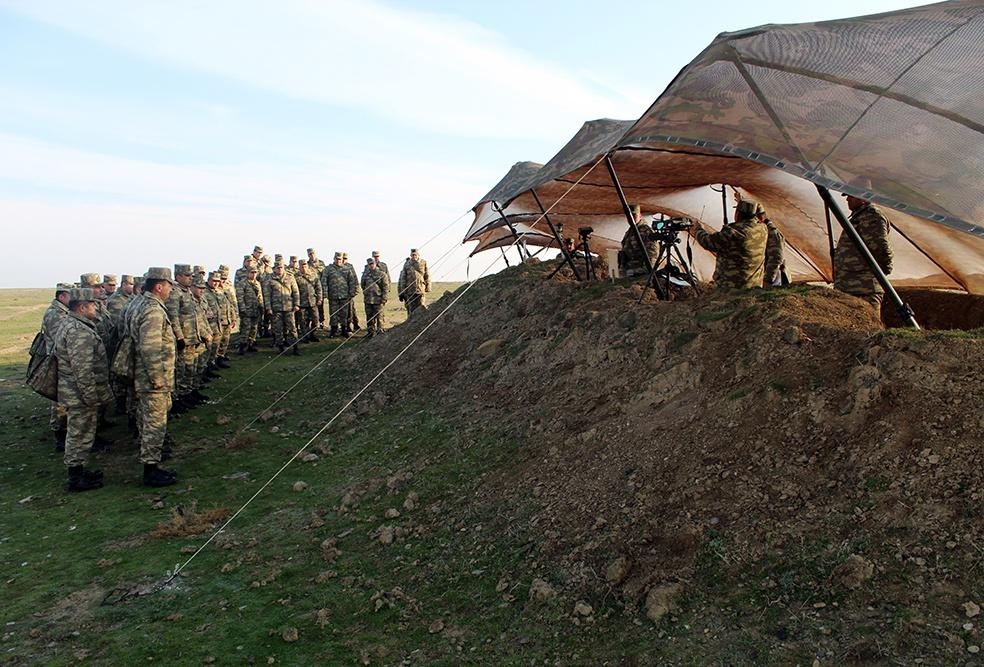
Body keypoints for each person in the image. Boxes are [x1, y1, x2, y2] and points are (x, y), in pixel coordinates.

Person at [55, 287, 113, 491]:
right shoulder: (78, 331)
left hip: (75, 391)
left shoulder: (72, 324)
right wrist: (91, 397)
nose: (96, 308)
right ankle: (75, 477)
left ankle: (78, 470)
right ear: (82, 307)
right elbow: (82, 370)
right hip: (79, 394)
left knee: (79, 432)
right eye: (92, 305)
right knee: (79, 433)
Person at [128, 267, 178, 487]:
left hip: (141, 375)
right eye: (168, 286)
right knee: (154, 423)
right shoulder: (153, 311)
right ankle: (151, 469)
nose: (170, 290)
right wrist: (158, 377)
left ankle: (149, 461)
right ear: (159, 286)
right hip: (152, 378)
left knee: (145, 419)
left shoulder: (137, 304)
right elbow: (150, 348)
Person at [834, 191, 894, 312]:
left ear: (862, 197)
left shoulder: (871, 216)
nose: (847, 200)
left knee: (868, 326)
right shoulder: (859, 216)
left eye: (850, 196)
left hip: (864, 289)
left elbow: (881, 248)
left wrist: (882, 272)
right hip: (850, 288)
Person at [693, 199, 768, 289]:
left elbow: (707, 242)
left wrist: (698, 229)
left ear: (738, 214)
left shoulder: (733, 232)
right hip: (753, 285)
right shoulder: (763, 229)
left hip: (731, 287)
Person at [43, 283, 73, 451]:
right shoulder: (56, 314)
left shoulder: (62, 312)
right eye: (70, 295)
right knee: (59, 401)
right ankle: (59, 434)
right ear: (61, 297)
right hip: (58, 362)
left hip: (63, 361)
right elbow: (59, 342)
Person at [263, 260, 301, 354]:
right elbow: (267, 295)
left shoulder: (290, 277)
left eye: (281, 268)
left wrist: (296, 304)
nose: (280, 269)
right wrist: (268, 308)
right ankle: (280, 347)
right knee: (278, 329)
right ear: (274, 269)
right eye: (277, 268)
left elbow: (295, 292)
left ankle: (295, 347)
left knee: (292, 328)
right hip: (276, 308)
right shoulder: (269, 279)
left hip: (289, 307)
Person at [322, 252, 357, 337]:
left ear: (342, 259)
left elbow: (352, 281)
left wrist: (352, 292)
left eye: (340, 259)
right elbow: (324, 281)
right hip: (333, 295)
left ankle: (344, 329)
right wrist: (325, 292)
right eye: (337, 259)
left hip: (344, 296)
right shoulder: (328, 269)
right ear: (334, 259)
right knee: (333, 313)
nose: (338, 261)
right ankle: (333, 329)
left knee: (344, 314)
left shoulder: (347, 269)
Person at [754, 204, 788, 288]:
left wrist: (767, 280)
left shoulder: (772, 233)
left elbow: (776, 258)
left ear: (759, 218)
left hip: (773, 282)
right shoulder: (762, 231)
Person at [620, 204, 658, 277]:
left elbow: (652, 254)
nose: (631, 218)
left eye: (634, 215)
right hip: (629, 269)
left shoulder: (646, 231)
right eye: (629, 216)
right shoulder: (631, 231)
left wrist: (645, 271)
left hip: (639, 271)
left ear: (640, 215)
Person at [236, 266, 263, 354]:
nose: (254, 274)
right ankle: (242, 346)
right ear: (247, 273)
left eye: (255, 272)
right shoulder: (242, 283)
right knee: (245, 328)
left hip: (255, 309)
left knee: (254, 328)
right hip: (247, 310)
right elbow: (240, 297)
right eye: (252, 272)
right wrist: (243, 309)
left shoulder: (257, 283)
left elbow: (260, 297)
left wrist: (261, 307)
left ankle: (250, 344)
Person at [361, 257, 390, 337]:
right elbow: (363, 285)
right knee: (369, 316)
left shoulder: (382, 274)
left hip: (378, 299)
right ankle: (370, 332)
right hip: (368, 299)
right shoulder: (366, 274)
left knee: (379, 316)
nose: (371, 266)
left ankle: (380, 332)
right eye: (369, 264)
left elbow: (385, 287)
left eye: (372, 264)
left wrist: (384, 298)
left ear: (375, 264)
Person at [295, 259, 322, 341]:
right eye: (302, 266)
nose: (304, 267)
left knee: (315, 319)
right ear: (299, 267)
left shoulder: (313, 275)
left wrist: (319, 298)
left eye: (305, 266)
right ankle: (305, 336)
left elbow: (318, 288)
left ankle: (313, 334)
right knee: (303, 321)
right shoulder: (296, 277)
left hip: (312, 302)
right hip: (302, 303)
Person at [397, 248, 430, 316]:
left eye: (415, 255)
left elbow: (427, 275)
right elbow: (403, 277)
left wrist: (428, 287)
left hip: (420, 289)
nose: (414, 257)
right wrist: (403, 291)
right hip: (410, 290)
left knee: (421, 307)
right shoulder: (407, 264)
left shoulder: (423, 262)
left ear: (418, 255)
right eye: (412, 255)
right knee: (411, 309)